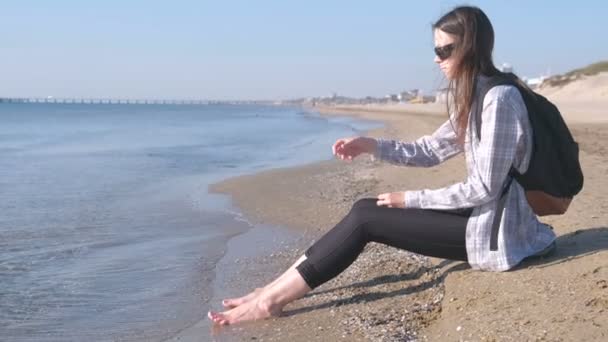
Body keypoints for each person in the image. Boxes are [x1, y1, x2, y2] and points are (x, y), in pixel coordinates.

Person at [208, 5, 556, 325]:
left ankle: (270, 302)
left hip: (497, 235)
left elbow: (484, 187)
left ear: (470, 48)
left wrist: (410, 199)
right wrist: (371, 145)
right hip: (482, 217)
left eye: (444, 50)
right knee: (365, 206)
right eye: (435, 50)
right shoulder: (476, 96)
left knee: (366, 219)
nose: (437, 59)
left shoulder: (499, 100)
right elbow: (429, 150)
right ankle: (270, 290)